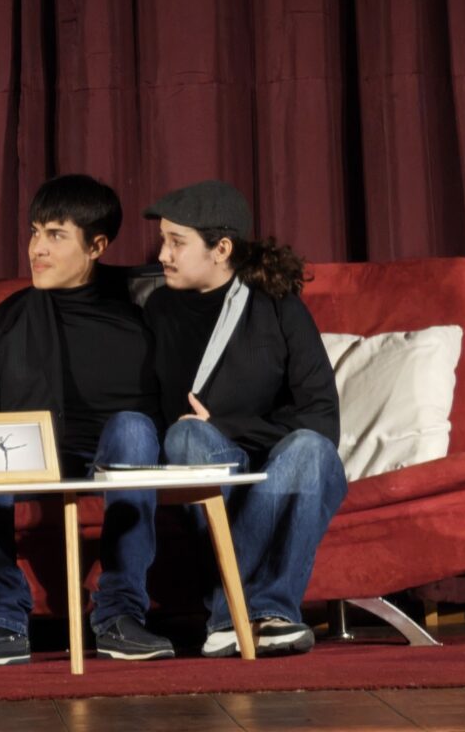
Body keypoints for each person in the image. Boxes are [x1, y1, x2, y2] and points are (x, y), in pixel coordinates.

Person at [0, 174, 174, 666]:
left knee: (133, 428)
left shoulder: (145, 311)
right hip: (30, 455)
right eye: (35, 232)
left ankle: (120, 615)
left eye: (56, 235)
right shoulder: (2, 323)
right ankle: (1, 619)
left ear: (96, 246)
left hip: (118, 455)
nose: (36, 248)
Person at [142, 179, 347, 657]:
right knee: (186, 437)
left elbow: (322, 418)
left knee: (310, 449)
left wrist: (228, 425)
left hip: (279, 463)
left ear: (222, 249)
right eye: (163, 240)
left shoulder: (277, 306)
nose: (163, 254)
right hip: (210, 463)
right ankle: (263, 615)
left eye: (177, 242)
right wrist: (205, 430)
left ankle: (240, 615)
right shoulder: (158, 309)